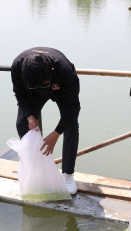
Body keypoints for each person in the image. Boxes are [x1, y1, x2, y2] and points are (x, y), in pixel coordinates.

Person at [11, 47, 80, 195]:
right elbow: (19, 93)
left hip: (60, 89)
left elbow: (73, 108)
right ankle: (35, 170)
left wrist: (56, 133)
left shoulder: (64, 70)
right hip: (32, 93)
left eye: (43, 83)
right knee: (22, 123)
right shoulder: (17, 66)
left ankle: (68, 174)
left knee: (71, 125)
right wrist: (30, 116)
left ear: (52, 70)